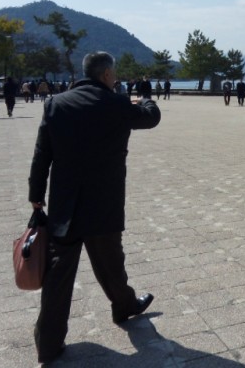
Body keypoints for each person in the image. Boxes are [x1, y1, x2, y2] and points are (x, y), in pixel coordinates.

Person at [28, 52, 161, 363]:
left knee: (58, 275)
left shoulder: (56, 104)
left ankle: (48, 343)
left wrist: (36, 194)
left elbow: (42, 153)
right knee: (111, 263)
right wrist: (144, 99)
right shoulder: (116, 104)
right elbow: (151, 117)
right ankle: (124, 307)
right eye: (114, 74)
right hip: (104, 203)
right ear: (106, 75)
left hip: (65, 204)